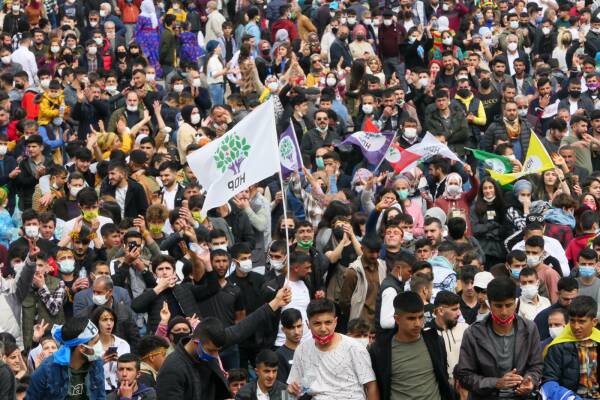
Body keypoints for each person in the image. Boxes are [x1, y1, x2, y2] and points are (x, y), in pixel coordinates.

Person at [155, 286, 291, 398]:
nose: (215, 356)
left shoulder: (210, 345)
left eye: (217, 351)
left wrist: (275, 303)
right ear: (196, 343)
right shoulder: (172, 369)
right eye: (211, 351)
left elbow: (243, 328)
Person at [455, 278, 543, 399]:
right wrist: (496, 383)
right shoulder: (473, 333)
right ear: (489, 305)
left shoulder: (529, 329)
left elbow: (536, 365)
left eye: (508, 305)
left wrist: (529, 381)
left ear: (516, 303)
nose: (504, 312)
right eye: (498, 306)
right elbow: (465, 375)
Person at [287, 298, 379, 399]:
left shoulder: (355, 348)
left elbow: (371, 386)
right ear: (308, 324)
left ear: (335, 322)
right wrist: (293, 389)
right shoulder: (302, 350)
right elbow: (297, 388)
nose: (323, 329)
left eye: (328, 322)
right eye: (317, 323)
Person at [370, 291, 454, 400]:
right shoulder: (380, 350)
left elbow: (443, 379)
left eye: (421, 317)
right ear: (397, 319)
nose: (417, 323)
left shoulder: (435, 342)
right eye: (411, 318)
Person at [26, 317, 106, 399]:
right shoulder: (46, 370)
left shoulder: (96, 363)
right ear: (82, 348)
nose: (99, 345)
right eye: (95, 342)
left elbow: (101, 396)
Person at [541, 296, 600, 399]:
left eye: (581, 321)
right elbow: (549, 381)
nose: (576, 326)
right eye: (572, 321)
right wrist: (569, 397)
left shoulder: (598, 342)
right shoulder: (558, 347)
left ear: (594, 322)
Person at [276, 308, 303, 383]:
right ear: (283, 329)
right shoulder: (279, 355)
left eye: (299, 326)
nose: (296, 332)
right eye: (291, 328)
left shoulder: (310, 350)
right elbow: (281, 387)